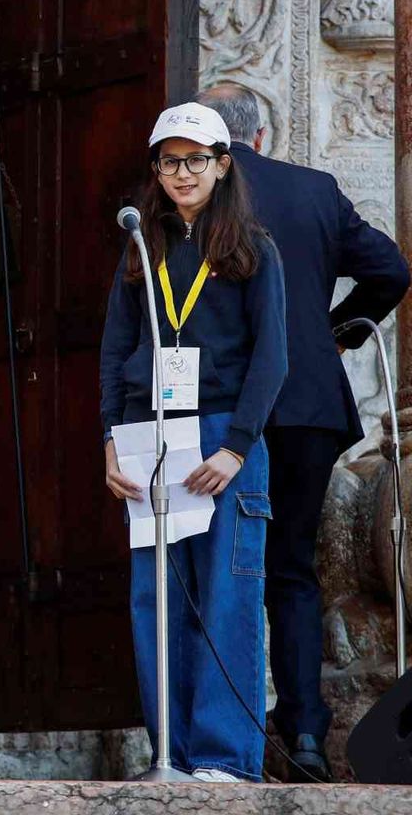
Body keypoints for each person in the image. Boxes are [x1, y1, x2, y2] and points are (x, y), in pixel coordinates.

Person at [197, 83, 410, 781]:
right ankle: (307, 737)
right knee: (289, 568)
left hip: (222, 404)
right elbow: (392, 271)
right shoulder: (315, 189)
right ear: (262, 136)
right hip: (309, 401)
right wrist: (333, 332)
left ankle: (216, 736)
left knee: (212, 567)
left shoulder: (193, 190)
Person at [99, 102, 287, 783]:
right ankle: (170, 752)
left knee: (226, 595)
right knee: (156, 595)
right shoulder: (141, 246)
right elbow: (119, 349)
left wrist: (236, 446)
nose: (183, 172)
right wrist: (111, 441)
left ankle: (223, 757)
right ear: (156, 169)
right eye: (170, 160)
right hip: (152, 436)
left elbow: (273, 359)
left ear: (223, 165)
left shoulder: (251, 249)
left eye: (197, 159)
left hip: (221, 439)